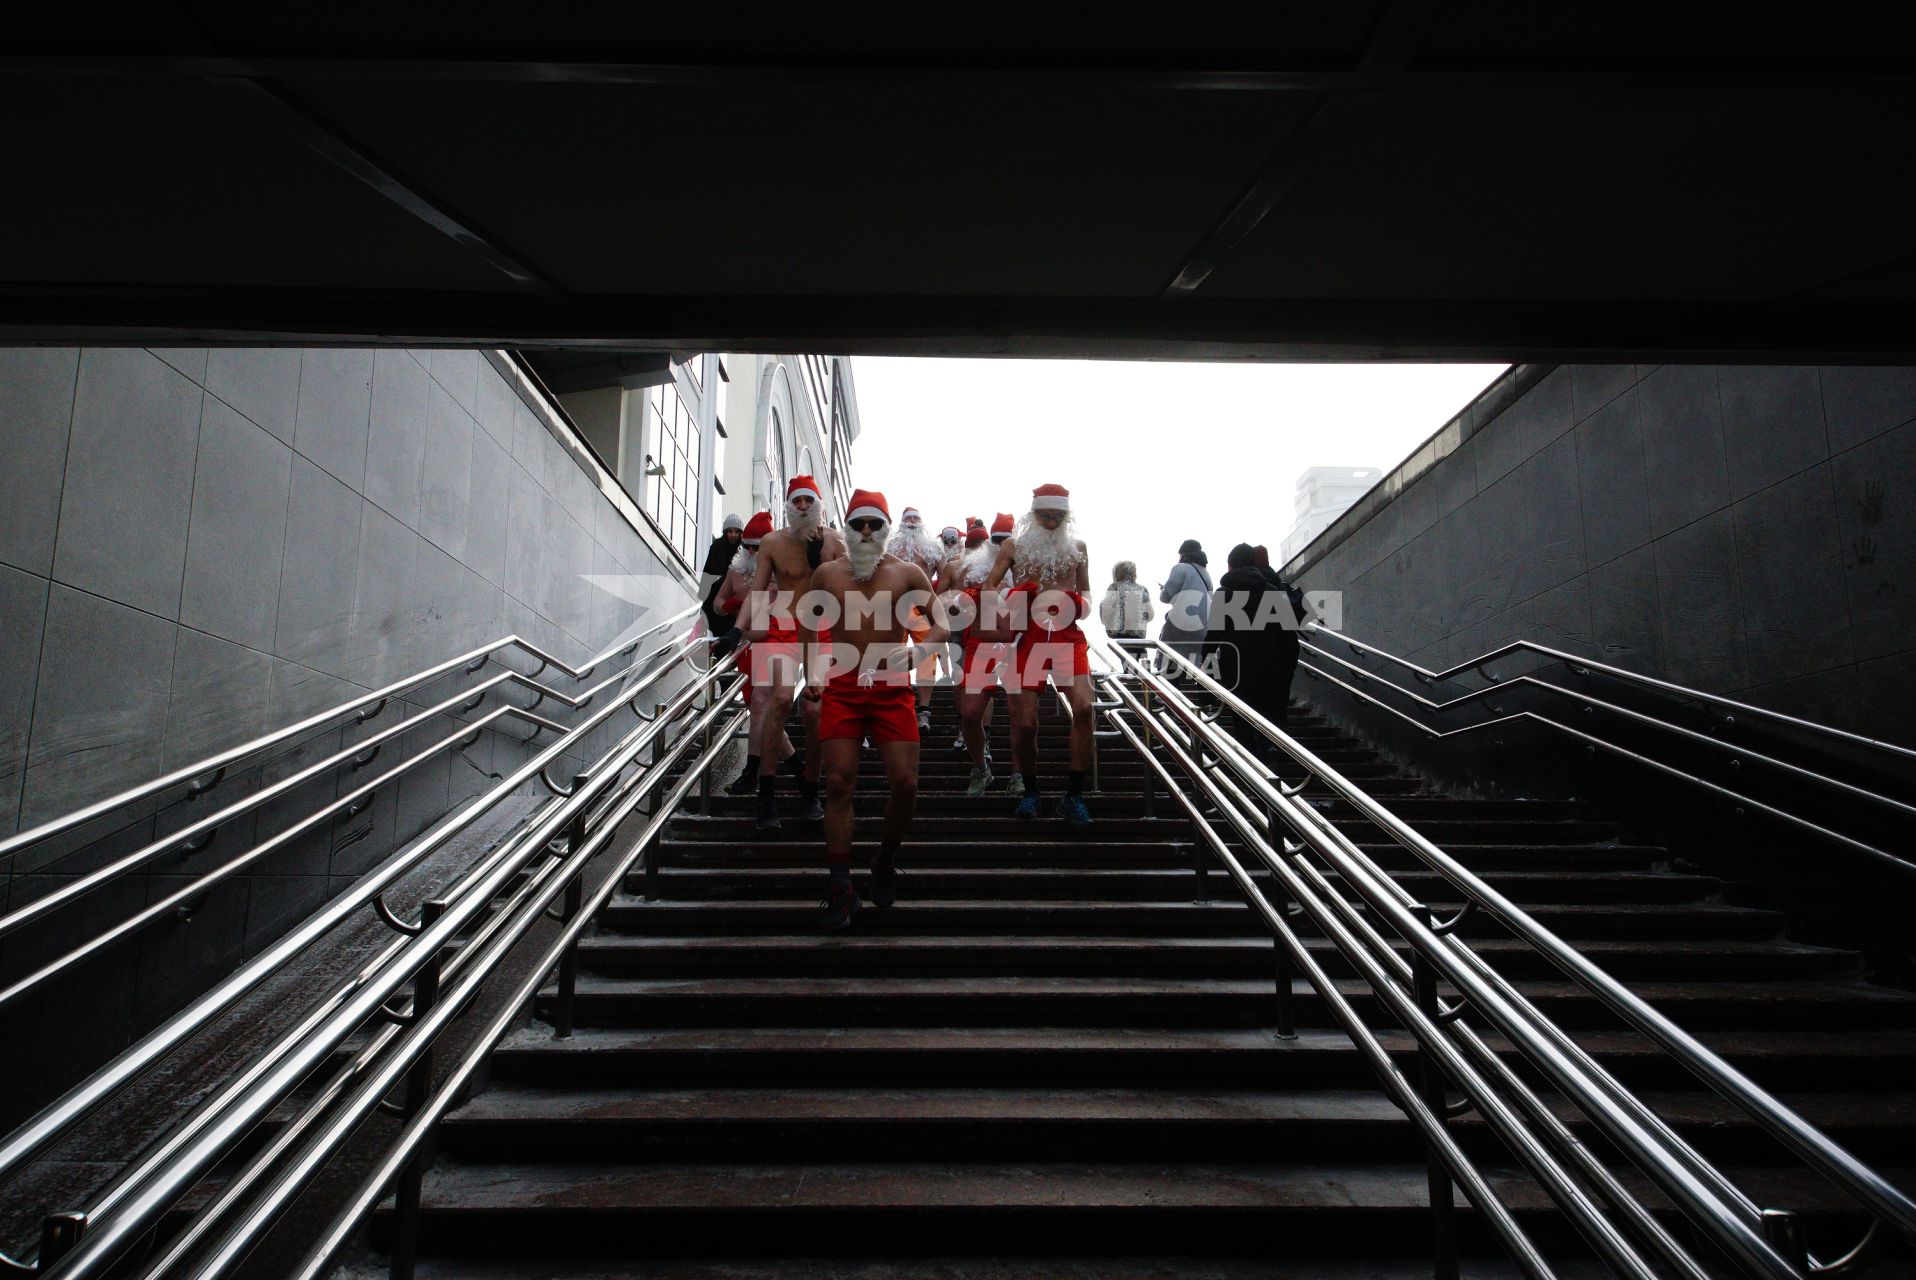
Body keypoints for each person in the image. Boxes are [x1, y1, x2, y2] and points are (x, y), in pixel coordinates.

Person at [805, 489, 946, 929]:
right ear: (848, 529)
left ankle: (884, 858)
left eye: (874, 524)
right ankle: (840, 887)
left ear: (885, 530)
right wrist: (813, 672)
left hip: (890, 686)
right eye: (859, 524)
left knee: (905, 783)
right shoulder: (827, 574)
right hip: (844, 686)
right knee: (839, 783)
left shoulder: (907, 573)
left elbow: (942, 623)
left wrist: (922, 655)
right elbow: (810, 625)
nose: (866, 531)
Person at [736, 476, 846, 830]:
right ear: (788, 504)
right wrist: (737, 629)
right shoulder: (772, 542)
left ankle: (810, 790)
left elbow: (851, 585)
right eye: (796, 501)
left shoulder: (834, 541)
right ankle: (765, 796)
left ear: (818, 504)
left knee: (814, 711)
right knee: (780, 699)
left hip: (823, 632)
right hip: (783, 629)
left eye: (807, 501)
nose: (802, 507)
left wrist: (819, 563)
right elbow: (756, 591)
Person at [984, 483, 1095, 827]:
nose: (1050, 523)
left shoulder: (1078, 548)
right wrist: (1015, 595)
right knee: (1025, 722)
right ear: (1034, 515)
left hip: (1066, 636)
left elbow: (1088, 598)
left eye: (1057, 517)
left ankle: (1073, 795)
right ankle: (1031, 791)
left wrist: (1078, 603)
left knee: (1085, 707)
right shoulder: (1014, 546)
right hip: (1027, 637)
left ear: (1066, 517)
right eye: (1045, 516)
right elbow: (989, 588)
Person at [718, 512, 798, 796]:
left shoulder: (781, 573)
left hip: (772, 643)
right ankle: (797, 768)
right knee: (758, 710)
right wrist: (731, 608)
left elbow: (776, 620)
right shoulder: (736, 571)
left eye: (757, 547)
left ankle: (757, 771)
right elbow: (717, 603)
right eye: (747, 546)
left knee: (764, 707)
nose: (751, 551)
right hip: (746, 645)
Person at [1202, 542, 1304, 762]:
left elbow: (1213, 638)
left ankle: (1249, 768)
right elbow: (1288, 638)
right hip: (1270, 666)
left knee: (1242, 721)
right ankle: (1271, 754)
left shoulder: (1223, 595)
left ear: (1230, 566)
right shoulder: (1273, 593)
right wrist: (1285, 670)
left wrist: (1206, 671)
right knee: (1269, 718)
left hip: (1236, 669)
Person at [949, 519, 1014, 796]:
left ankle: (1021, 775)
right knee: (970, 711)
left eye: (1004, 539)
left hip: (1018, 645)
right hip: (980, 645)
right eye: (996, 539)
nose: (1000, 545)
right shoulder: (970, 568)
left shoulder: (1026, 564)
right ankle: (980, 767)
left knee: (1024, 717)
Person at [887, 506, 947, 734]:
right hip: (896, 606)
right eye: (908, 518)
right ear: (902, 523)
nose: (912, 522)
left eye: (915, 518)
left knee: (927, 654)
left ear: (921, 522)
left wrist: (936, 600)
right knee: (893, 653)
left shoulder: (932, 547)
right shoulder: (891, 545)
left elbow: (945, 573)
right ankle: (896, 704)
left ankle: (923, 710)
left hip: (922, 606)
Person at [1158, 539, 1213, 662]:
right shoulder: (1206, 573)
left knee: (1170, 666)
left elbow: (1166, 596)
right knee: (1192, 669)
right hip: (1203, 627)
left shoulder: (1180, 568)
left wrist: (1163, 589)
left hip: (1182, 626)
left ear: (1183, 554)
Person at [698, 513, 746, 636]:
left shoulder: (744, 550)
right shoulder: (717, 546)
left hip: (732, 598)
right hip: (714, 595)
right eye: (730, 531)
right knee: (712, 628)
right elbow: (708, 571)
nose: (733, 535)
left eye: (736, 531)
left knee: (728, 629)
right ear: (725, 532)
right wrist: (703, 594)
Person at [1098, 560, 1153, 640]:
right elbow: (1150, 615)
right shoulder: (1143, 589)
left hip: (1118, 637)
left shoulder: (1115, 587)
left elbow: (1105, 610)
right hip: (1138, 638)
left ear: (1118, 573)